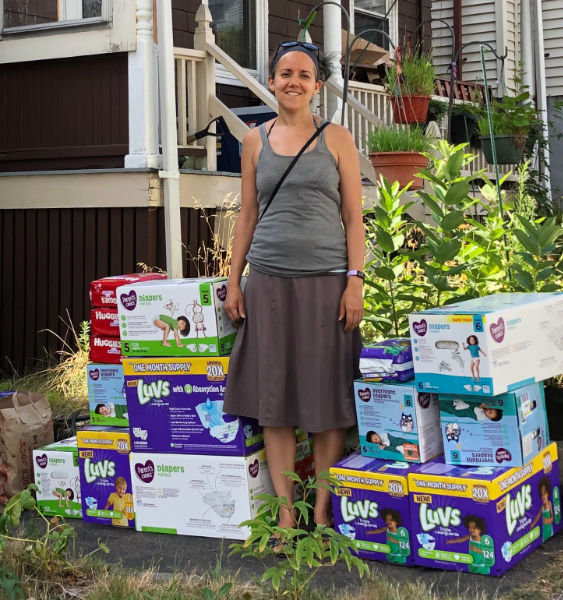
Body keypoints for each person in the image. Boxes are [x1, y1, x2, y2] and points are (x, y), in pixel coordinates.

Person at [223, 40, 364, 545]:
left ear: (317, 85)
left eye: (304, 74)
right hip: (267, 283)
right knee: (274, 401)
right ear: (273, 79)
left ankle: (322, 514)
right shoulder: (254, 140)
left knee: (325, 400)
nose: (293, 82)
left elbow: (354, 218)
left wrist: (355, 280)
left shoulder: (338, 139)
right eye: (285, 73)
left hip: (327, 285)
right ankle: (286, 517)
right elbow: (247, 215)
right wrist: (233, 278)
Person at [530, 476, 554, 541]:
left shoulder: (549, 504)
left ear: (548, 493)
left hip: (549, 530)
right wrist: (533, 524)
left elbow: (552, 519)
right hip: (544, 532)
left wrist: (546, 520)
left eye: (544, 493)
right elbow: (538, 516)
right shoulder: (542, 507)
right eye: (541, 494)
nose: (543, 496)